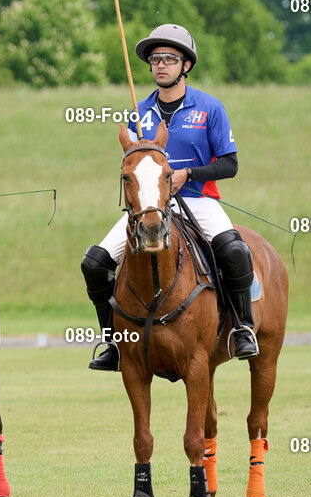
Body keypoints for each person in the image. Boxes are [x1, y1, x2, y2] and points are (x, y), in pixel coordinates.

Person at [81, 23, 259, 372]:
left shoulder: (209, 107)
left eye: (169, 59)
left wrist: (187, 174)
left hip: (198, 200)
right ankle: (114, 343)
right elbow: (130, 164)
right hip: (151, 206)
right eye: (155, 59)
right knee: (95, 263)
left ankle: (242, 328)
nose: (161, 65)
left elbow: (230, 164)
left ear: (186, 65)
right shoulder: (139, 112)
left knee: (235, 251)